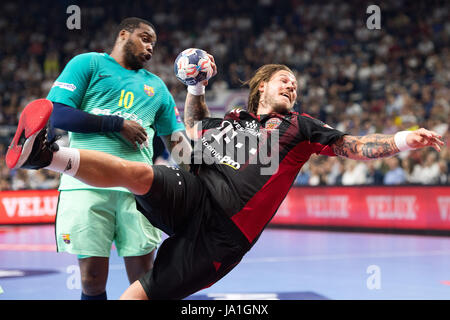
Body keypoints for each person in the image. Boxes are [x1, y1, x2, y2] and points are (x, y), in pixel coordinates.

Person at [6, 61, 444, 300]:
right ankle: (45, 153)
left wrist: (405, 139)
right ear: (261, 89)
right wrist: (194, 86)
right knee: (140, 174)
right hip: (195, 190)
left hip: (223, 234)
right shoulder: (232, 120)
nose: (292, 87)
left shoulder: (301, 128)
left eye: (295, 85)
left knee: (136, 299)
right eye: (284, 81)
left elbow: (353, 144)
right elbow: (193, 131)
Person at [43, 17, 190, 300]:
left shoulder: (157, 87)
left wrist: (203, 174)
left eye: (154, 44)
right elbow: (58, 114)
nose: (150, 48)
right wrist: (116, 124)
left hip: (139, 190)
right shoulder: (88, 64)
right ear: (124, 34)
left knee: (145, 281)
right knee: (92, 280)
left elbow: (177, 144)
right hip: (85, 186)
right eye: (145, 38)